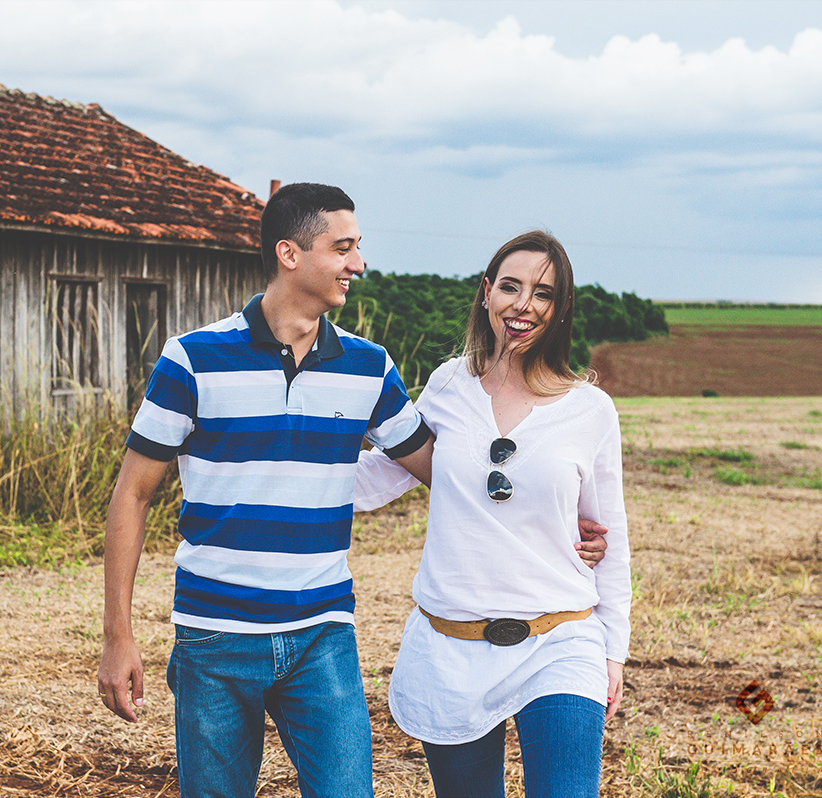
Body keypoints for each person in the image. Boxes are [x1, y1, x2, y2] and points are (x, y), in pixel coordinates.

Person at [97, 183, 434, 798]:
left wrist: (555, 505)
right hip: (214, 637)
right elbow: (133, 495)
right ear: (289, 253)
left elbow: (439, 469)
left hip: (322, 635)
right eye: (343, 248)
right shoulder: (192, 359)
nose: (358, 263)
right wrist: (117, 635)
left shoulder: (370, 366)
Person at [353, 231, 630, 798]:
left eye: (543, 293)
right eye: (511, 286)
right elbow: (387, 473)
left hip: (559, 640)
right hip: (452, 645)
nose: (524, 304)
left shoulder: (590, 410)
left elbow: (611, 537)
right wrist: (275, 468)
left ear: (561, 309)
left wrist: (612, 650)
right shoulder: (448, 385)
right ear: (486, 293)